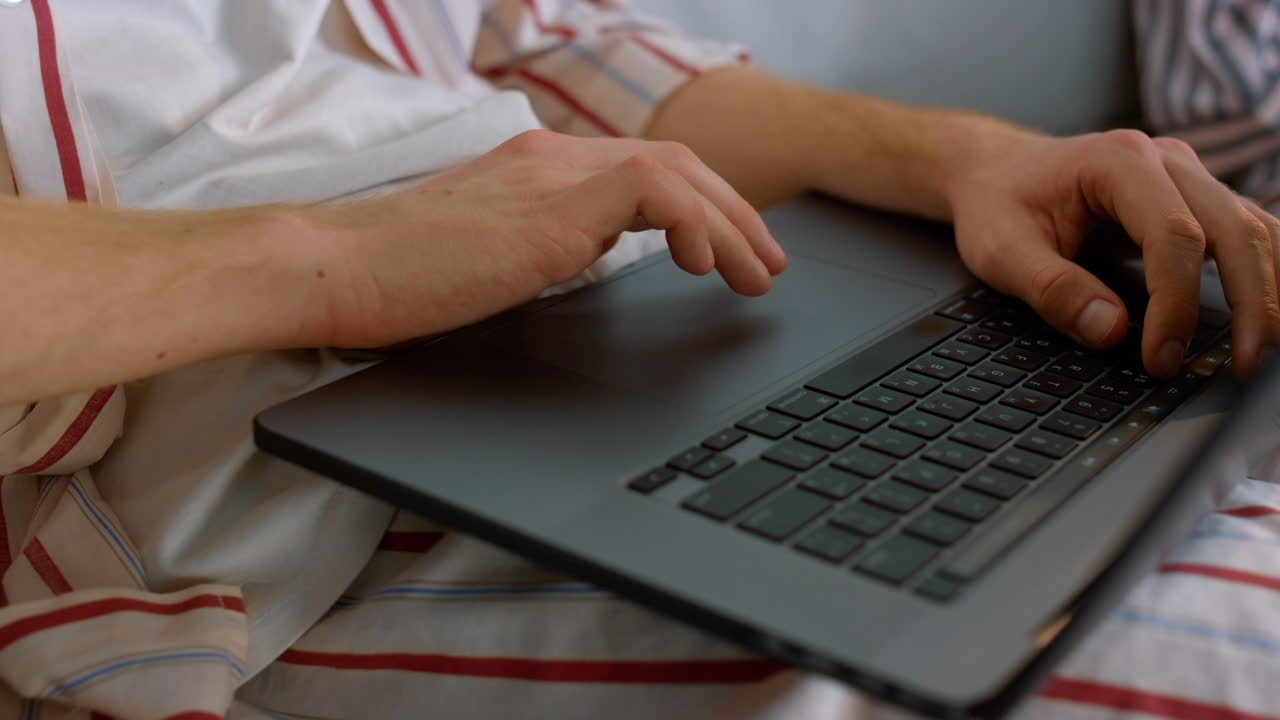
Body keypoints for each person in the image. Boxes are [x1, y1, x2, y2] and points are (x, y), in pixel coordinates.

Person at [0, 0, 1278, 718]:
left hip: (593, 330)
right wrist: (328, 254)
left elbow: (531, 43)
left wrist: (965, 158)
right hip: (259, 493)